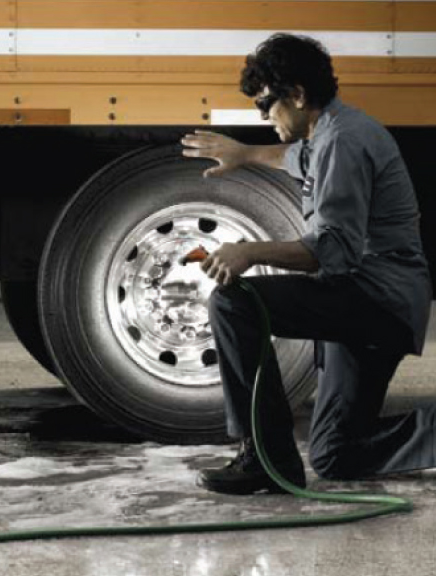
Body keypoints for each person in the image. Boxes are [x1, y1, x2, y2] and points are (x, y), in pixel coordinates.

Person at [180, 33, 433, 495]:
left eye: (266, 106)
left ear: (297, 95)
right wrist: (245, 154)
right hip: (368, 303)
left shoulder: (344, 141)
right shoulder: (330, 131)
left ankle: (264, 460)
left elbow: (332, 251)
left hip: (376, 301)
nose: (262, 116)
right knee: (336, 455)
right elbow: (296, 157)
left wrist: (248, 252)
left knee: (234, 303)